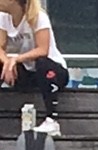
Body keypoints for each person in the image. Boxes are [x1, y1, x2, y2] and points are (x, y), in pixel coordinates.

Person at [0, 0, 66, 134]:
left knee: (42, 63)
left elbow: (43, 50)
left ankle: (51, 120)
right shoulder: (3, 17)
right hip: (29, 72)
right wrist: (7, 61)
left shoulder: (39, 17)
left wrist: (16, 59)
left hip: (54, 72)